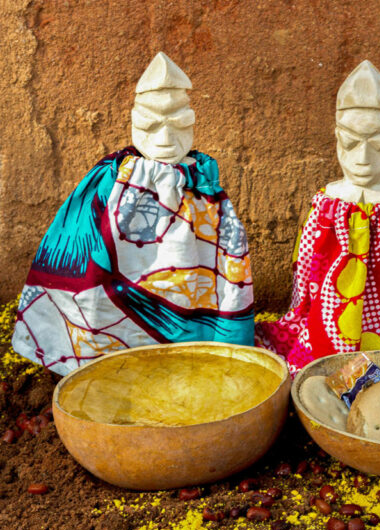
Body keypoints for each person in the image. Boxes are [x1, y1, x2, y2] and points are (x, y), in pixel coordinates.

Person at [13, 52, 254, 375]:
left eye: (179, 124)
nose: (166, 139)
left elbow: (225, 257)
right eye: (151, 124)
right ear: (133, 121)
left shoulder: (203, 185)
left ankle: (191, 353)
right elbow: (82, 244)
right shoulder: (111, 180)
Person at [257, 61, 380, 373]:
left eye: (378, 144)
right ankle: (330, 348)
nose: (364, 159)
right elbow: (309, 277)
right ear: (336, 138)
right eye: (351, 143)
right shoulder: (328, 206)